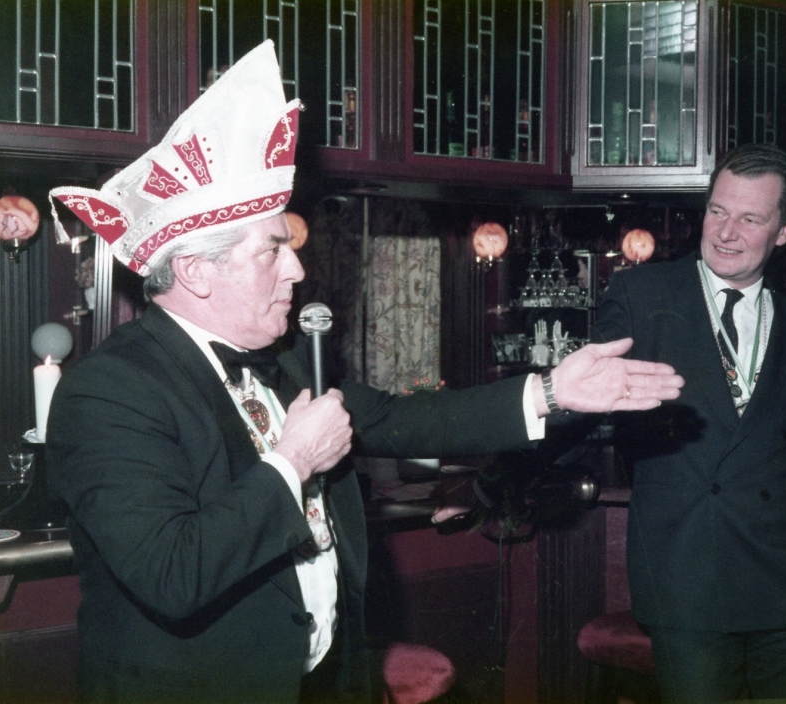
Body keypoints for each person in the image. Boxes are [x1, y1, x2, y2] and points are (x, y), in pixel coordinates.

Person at [44, 41, 683, 704]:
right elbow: (172, 575)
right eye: (272, 251)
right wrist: (293, 461)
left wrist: (552, 391)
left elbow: (404, 418)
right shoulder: (110, 391)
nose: (297, 269)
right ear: (198, 272)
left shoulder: (288, 360)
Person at [589, 144, 786, 702]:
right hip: (691, 581)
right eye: (717, 211)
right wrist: (492, 484)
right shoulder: (641, 294)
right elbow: (577, 402)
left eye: (750, 219)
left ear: (784, 231)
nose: (726, 232)